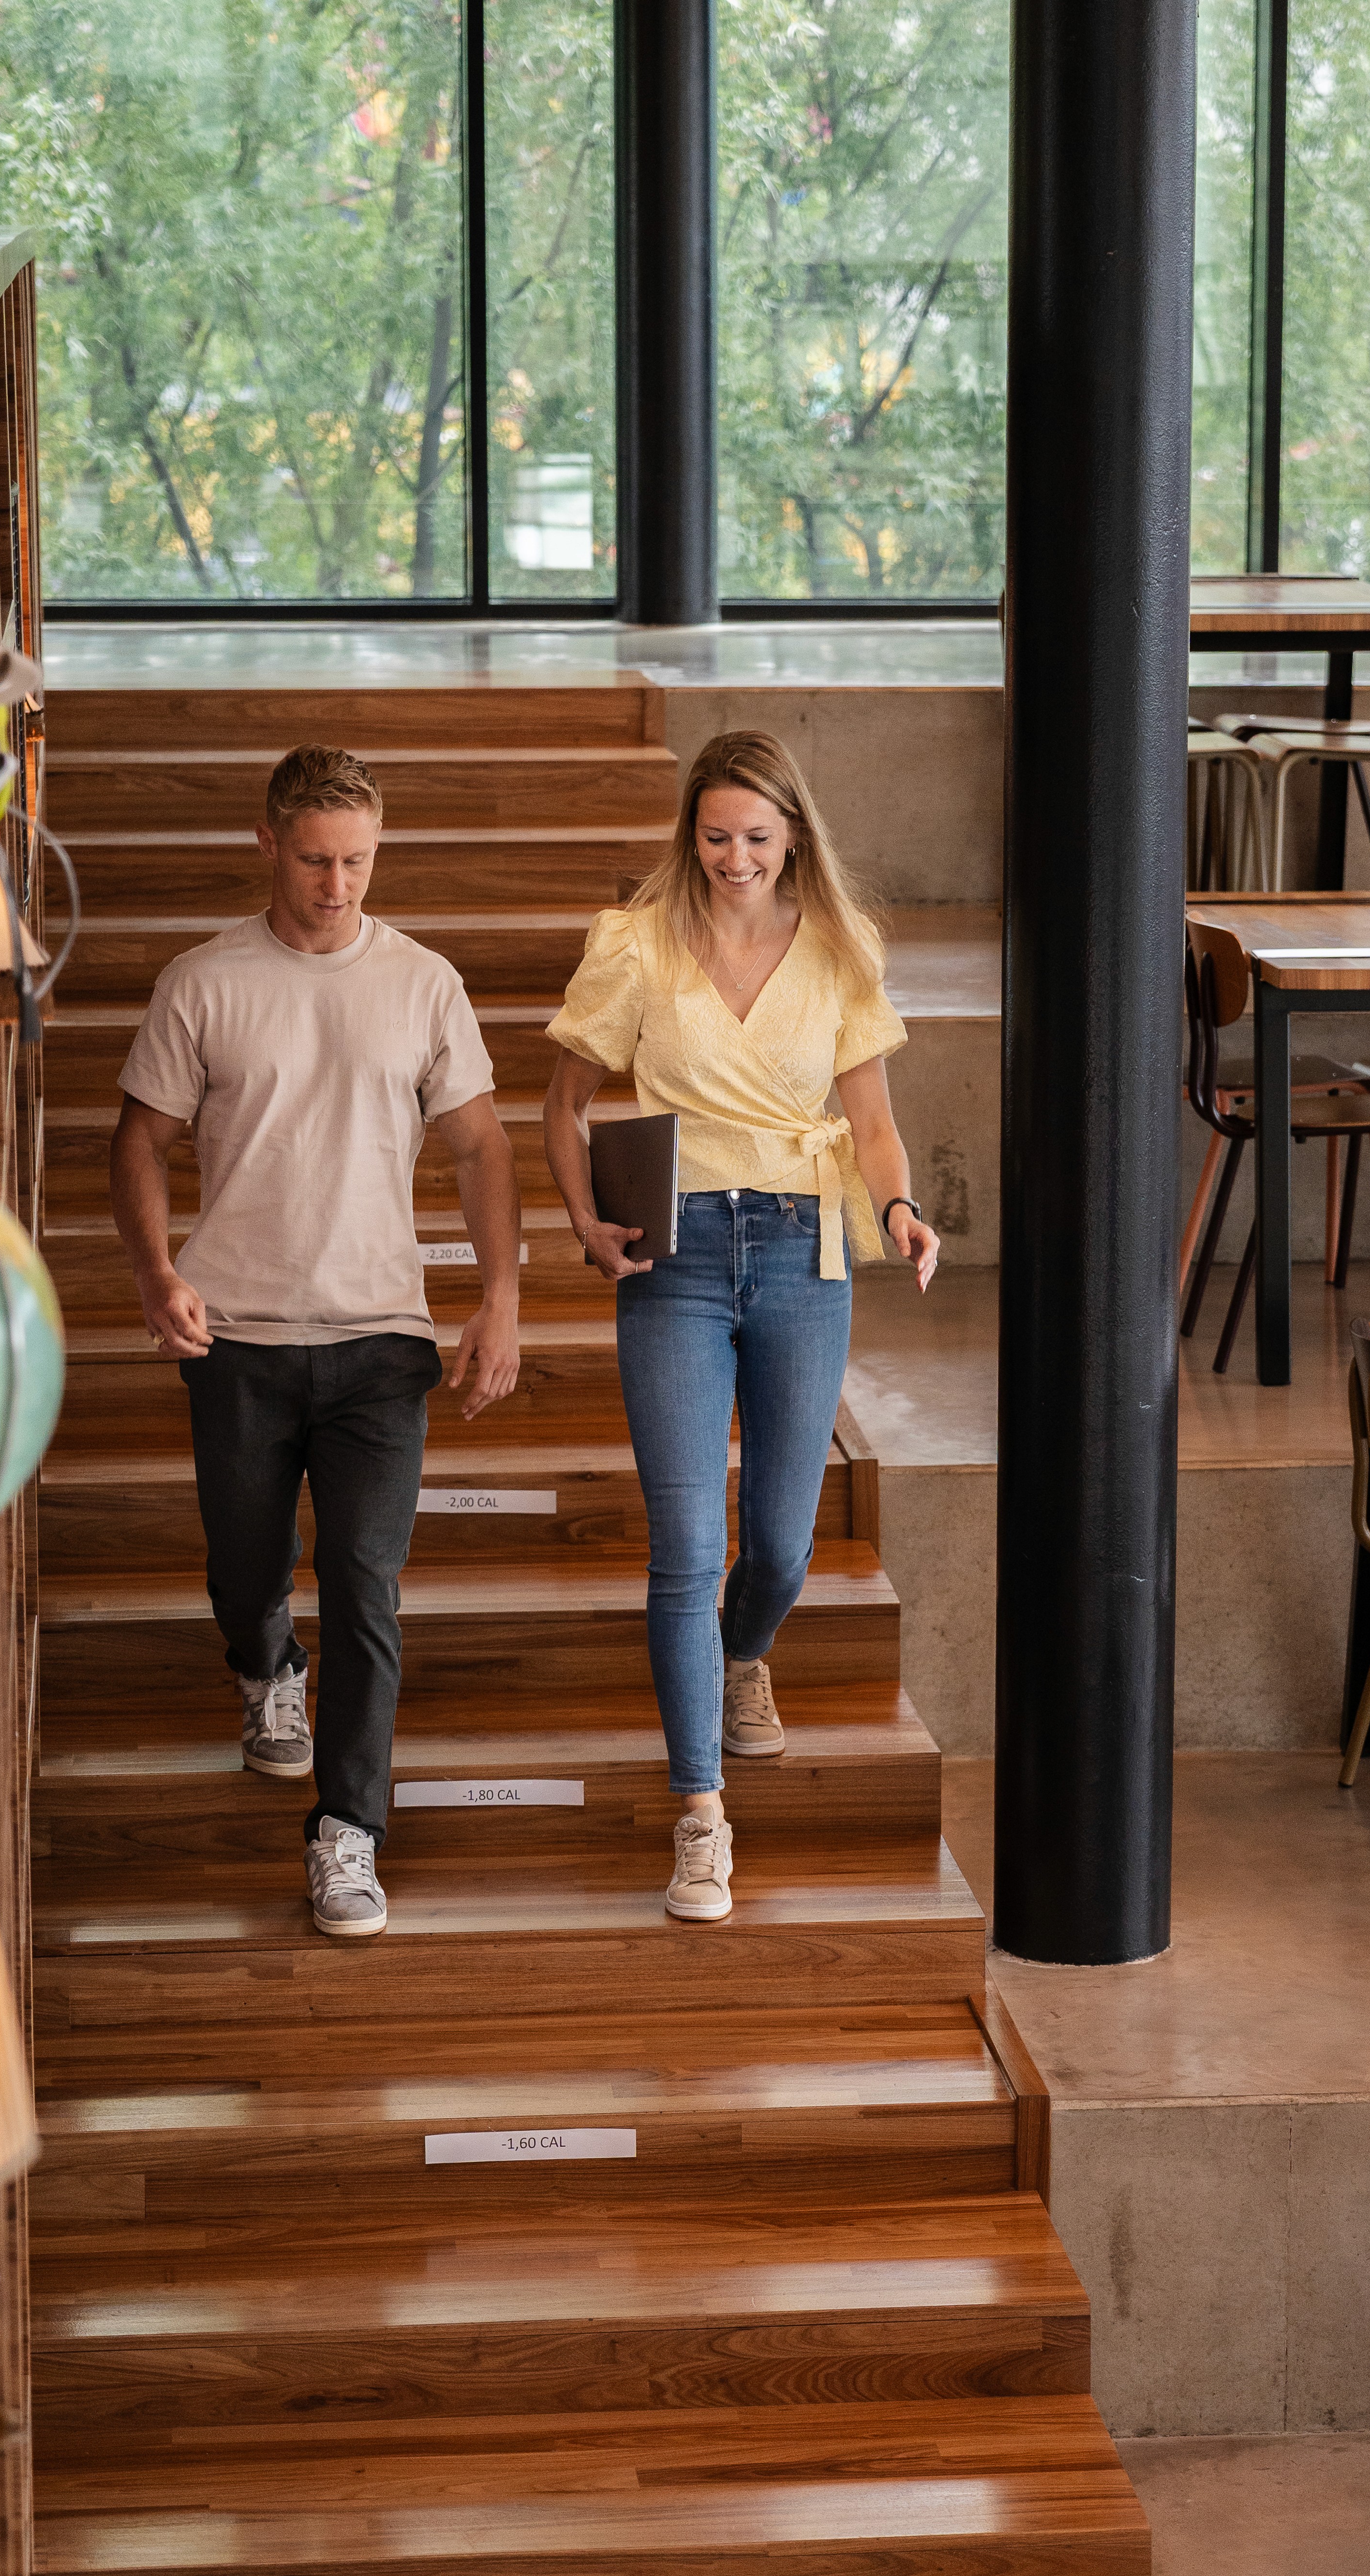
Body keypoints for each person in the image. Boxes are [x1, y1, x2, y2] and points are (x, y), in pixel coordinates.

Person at [108, 743, 521, 1939]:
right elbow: (138, 1138)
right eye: (315, 860)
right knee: (248, 1565)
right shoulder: (204, 980)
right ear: (266, 845)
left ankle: (348, 1834)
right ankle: (264, 1668)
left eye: (358, 861)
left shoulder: (423, 982)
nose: (338, 885)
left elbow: (482, 1146)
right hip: (232, 1332)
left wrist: (499, 1294)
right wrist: (154, 1269)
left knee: (364, 1581)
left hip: (379, 1343)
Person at [542, 729, 939, 1925]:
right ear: (691, 834)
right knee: (685, 1544)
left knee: (777, 1541)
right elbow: (564, 1105)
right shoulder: (636, 943)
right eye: (715, 836)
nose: (733, 858)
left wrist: (903, 1207)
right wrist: (581, 1219)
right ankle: (701, 1815)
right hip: (672, 1251)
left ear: (794, 836)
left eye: (756, 838)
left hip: (802, 1250)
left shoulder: (839, 947)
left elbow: (870, 1124)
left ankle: (742, 1654)